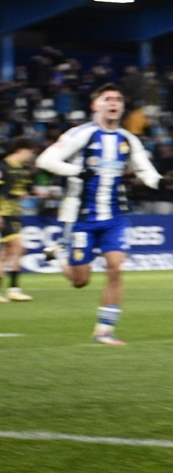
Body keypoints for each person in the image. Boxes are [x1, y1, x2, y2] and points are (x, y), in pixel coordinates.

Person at [36, 84, 161, 343]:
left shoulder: (127, 139)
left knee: (115, 269)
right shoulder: (81, 134)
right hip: (82, 218)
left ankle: (104, 330)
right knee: (80, 281)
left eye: (118, 99)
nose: (114, 103)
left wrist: (153, 179)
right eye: (108, 99)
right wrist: (76, 172)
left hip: (115, 217)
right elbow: (45, 161)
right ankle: (60, 255)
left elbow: (144, 167)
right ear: (96, 105)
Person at [0, 139, 39, 301]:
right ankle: (14, 289)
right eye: (30, 152)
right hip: (4, 213)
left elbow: (25, 190)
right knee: (18, 247)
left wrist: (41, 194)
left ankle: (12, 290)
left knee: (7, 253)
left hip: (15, 214)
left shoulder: (23, 170)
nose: (31, 156)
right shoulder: (3, 167)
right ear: (21, 150)